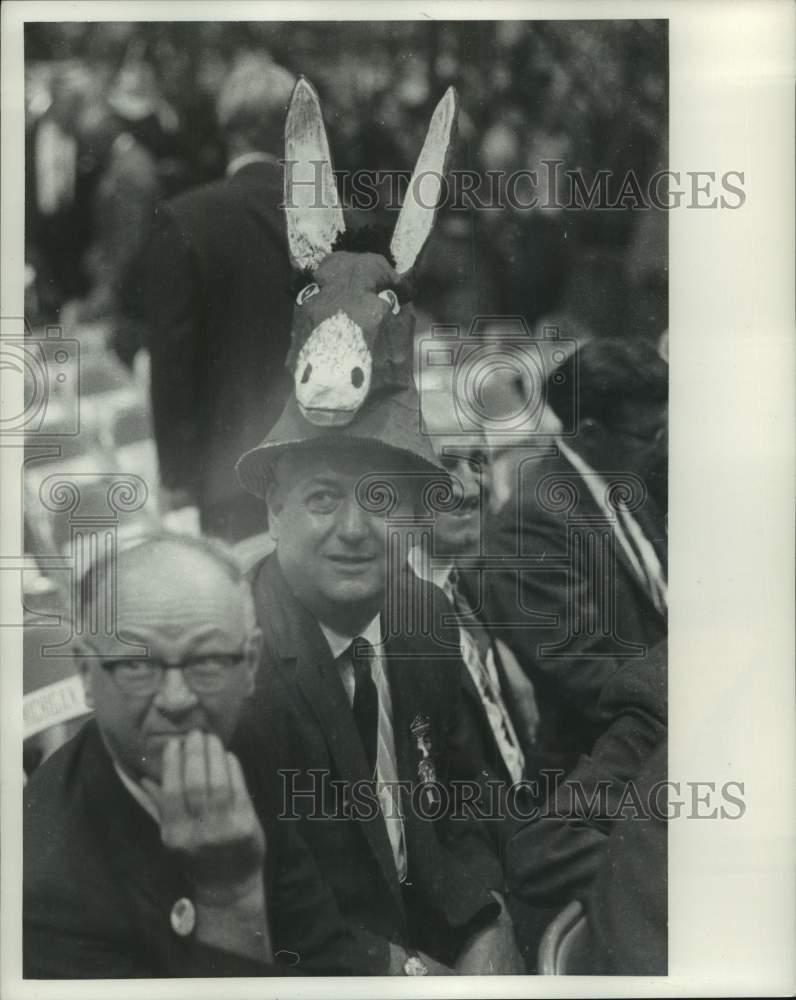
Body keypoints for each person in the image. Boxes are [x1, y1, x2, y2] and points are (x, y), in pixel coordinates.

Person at [231, 77, 521, 977]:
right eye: (323, 499)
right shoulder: (239, 670)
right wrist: (398, 974)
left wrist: (487, 927)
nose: (357, 528)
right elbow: (264, 906)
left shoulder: (423, 619)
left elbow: (472, 808)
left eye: (383, 498)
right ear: (273, 507)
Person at [23, 533, 358, 978]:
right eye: (138, 665)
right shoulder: (35, 877)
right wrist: (229, 897)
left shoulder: (247, 746)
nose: (177, 700)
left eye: (208, 661)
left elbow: (327, 960)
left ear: (251, 665)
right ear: (87, 673)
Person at [484, 336, 668, 771]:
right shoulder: (533, 519)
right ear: (589, 433)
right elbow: (582, 673)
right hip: (600, 772)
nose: (661, 446)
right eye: (650, 434)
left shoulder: (625, 483)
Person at [140, 55, 296, 541]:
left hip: (231, 475)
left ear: (228, 130)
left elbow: (174, 364)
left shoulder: (188, 219)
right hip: (331, 466)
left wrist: (178, 481)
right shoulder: (345, 218)